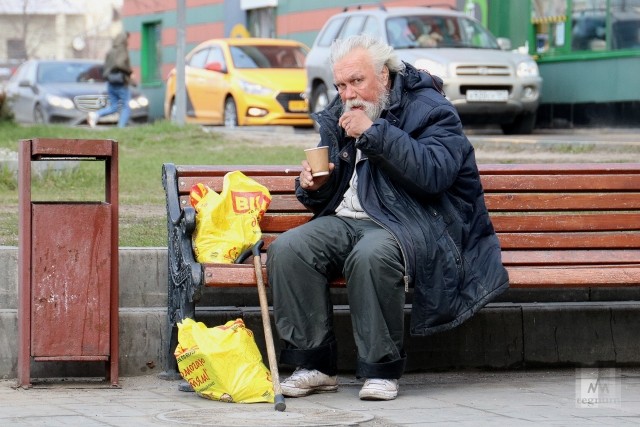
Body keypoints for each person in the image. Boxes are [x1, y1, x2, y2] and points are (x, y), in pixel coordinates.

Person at [266, 34, 509, 401]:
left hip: (410, 222)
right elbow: (332, 189)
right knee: (289, 250)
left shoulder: (431, 108)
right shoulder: (341, 110)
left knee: (371, 256)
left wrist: (374, 133)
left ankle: (381, 369)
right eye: (341, 85)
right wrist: (315, 185)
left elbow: (433, 175)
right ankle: (314, 364)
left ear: (383, 74)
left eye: (356, 81)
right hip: (348, 218)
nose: (347, 93)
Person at [88, 31, 132, 128]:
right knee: (125, 106)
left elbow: (105, 67)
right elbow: (120, 63)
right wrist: (129, 71)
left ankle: (96, 114)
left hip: (111, 82)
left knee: (114, 106)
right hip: (121, 82)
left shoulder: (110, 51)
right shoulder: (122, 50)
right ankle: (121, 127)